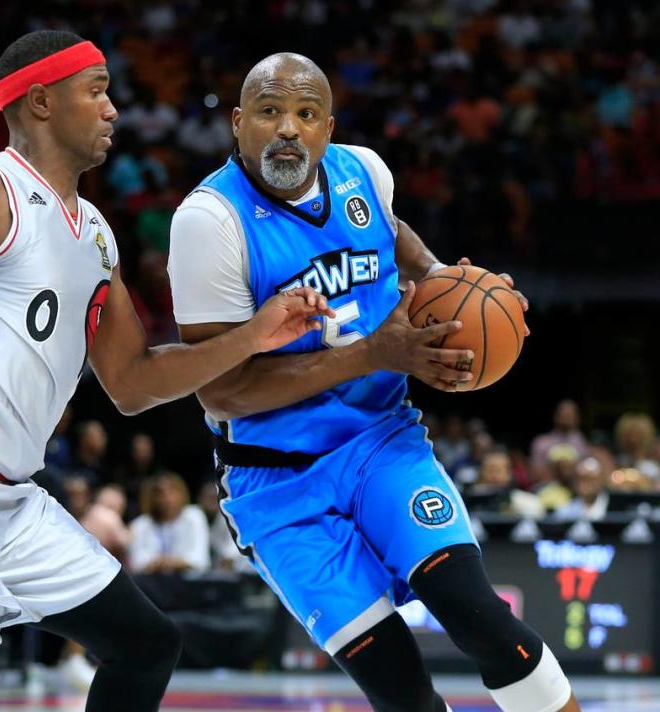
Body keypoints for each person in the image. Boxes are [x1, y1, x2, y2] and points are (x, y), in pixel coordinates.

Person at [0, 31, 332, 712]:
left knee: (147, 643)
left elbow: (131, 383)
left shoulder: (95, 233)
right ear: (41, 101)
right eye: (95, 90)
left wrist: (253, 335)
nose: (112, 108)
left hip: (10, 491)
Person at [168, 52, 579, 712]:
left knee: (489, 627)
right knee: (404, 696)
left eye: (306, 114)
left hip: (381, 442)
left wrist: (455, 287)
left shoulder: (365, 172)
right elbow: (221, 392)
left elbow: (392, 234)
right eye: (270, 112)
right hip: (277, 483)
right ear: (238, 124)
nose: (288, 130)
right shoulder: (209, 223)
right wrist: (375, 353)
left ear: (328, 128)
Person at [128, 472, 210, 574]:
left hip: (188, 583)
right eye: (160, 493)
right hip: (152, 583)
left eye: (172, 491)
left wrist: (173, 563)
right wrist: (158, 563)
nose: (167, 498)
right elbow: (136, 563)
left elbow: (200, 560)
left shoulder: (194, 516)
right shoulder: (140, 525)